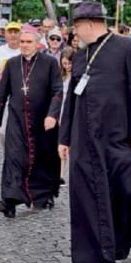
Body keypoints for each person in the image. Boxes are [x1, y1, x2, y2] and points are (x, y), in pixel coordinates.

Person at [58, 1, 131, 263]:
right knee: (88, 198)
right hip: (84, 139)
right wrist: (64, 138)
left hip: (120, 137)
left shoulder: (127, 49)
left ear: (90, 23)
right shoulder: (80, 55)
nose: (74, 33)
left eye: (76, 26)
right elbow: (72, 100)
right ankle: (98, 257)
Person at [0, 25, 63, 218]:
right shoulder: (12, 64)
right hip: (17, 120)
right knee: (14, 158)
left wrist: (52, 115)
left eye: (28, 42)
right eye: (22, 42)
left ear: (38, 43)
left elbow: (57, 90)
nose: (24, 45)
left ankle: (44, 194)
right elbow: (1, 94)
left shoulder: (49, 63)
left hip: (42, 121)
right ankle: (9, 202)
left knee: (42, 159)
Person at [58, 47, 75, 187]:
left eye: (70, 63)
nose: (68, 66)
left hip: (73, 114)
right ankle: (61, 174)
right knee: (61, 142)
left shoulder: (77, 76)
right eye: (65, 64)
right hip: (60, 112)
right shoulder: (60, 76)